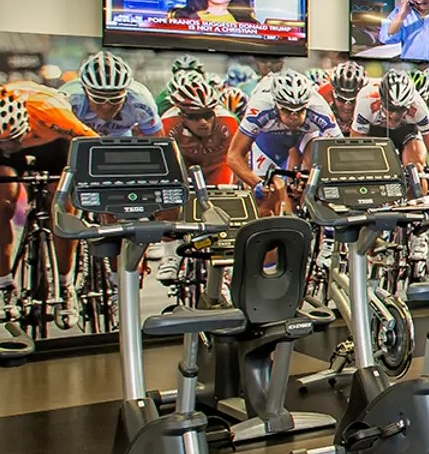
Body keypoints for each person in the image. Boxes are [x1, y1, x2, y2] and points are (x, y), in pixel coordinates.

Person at [0, 83, 96, 312]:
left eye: (12, 139)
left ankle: (65, 282)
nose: (8, 147)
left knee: (59, 206)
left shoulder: (50, 111)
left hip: (51, 146)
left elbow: (93, 145)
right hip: (3, 157)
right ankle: (3, 285)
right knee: (2, 202)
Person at [154, 72, 241, 284]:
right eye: (194, 117)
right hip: (182, 165)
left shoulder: (229, 121)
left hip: (216, 165)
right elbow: (161, 165)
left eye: (208, 114)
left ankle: (223, 266)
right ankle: (170, 255)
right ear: (181, 115)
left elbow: (236, 158)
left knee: (224, 203)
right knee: (169, 198)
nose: (203, 122)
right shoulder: (167, 124)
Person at [228, 71, 338, 216]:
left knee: (319, 169)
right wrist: (257, 184)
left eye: (300, 111)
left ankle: (316, 220)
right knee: (266, 201)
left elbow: (339, 151)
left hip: (305, 134)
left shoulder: (319, 107)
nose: (293, 116)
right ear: (276, 105)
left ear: (307, 104)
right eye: (287, 110)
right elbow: (233, 156)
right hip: (269, 137)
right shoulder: (261, 106)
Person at [353, 72, 429, 175]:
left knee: (416, 169)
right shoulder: (366, 100)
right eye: (391, 108)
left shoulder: (419, 108)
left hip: (406, 132)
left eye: (400, 109)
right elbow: (355, 147)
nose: (394, 115)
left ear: (409, 104)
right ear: (381, 101)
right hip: (375, 131)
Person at [63, 51, 162, 138]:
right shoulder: (69, 100)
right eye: (99, 99)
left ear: (126, 92)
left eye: (115, 99)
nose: (107, 106)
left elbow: (158, 141)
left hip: (121, 139)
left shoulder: (141, 101)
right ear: (85, 91)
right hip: (77, 138)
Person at [322, 61, 367, 128]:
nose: (347, 106)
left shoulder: (373, 100)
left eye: (353, 100)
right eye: (341, 99)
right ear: (333, 94)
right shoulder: (322, 95)